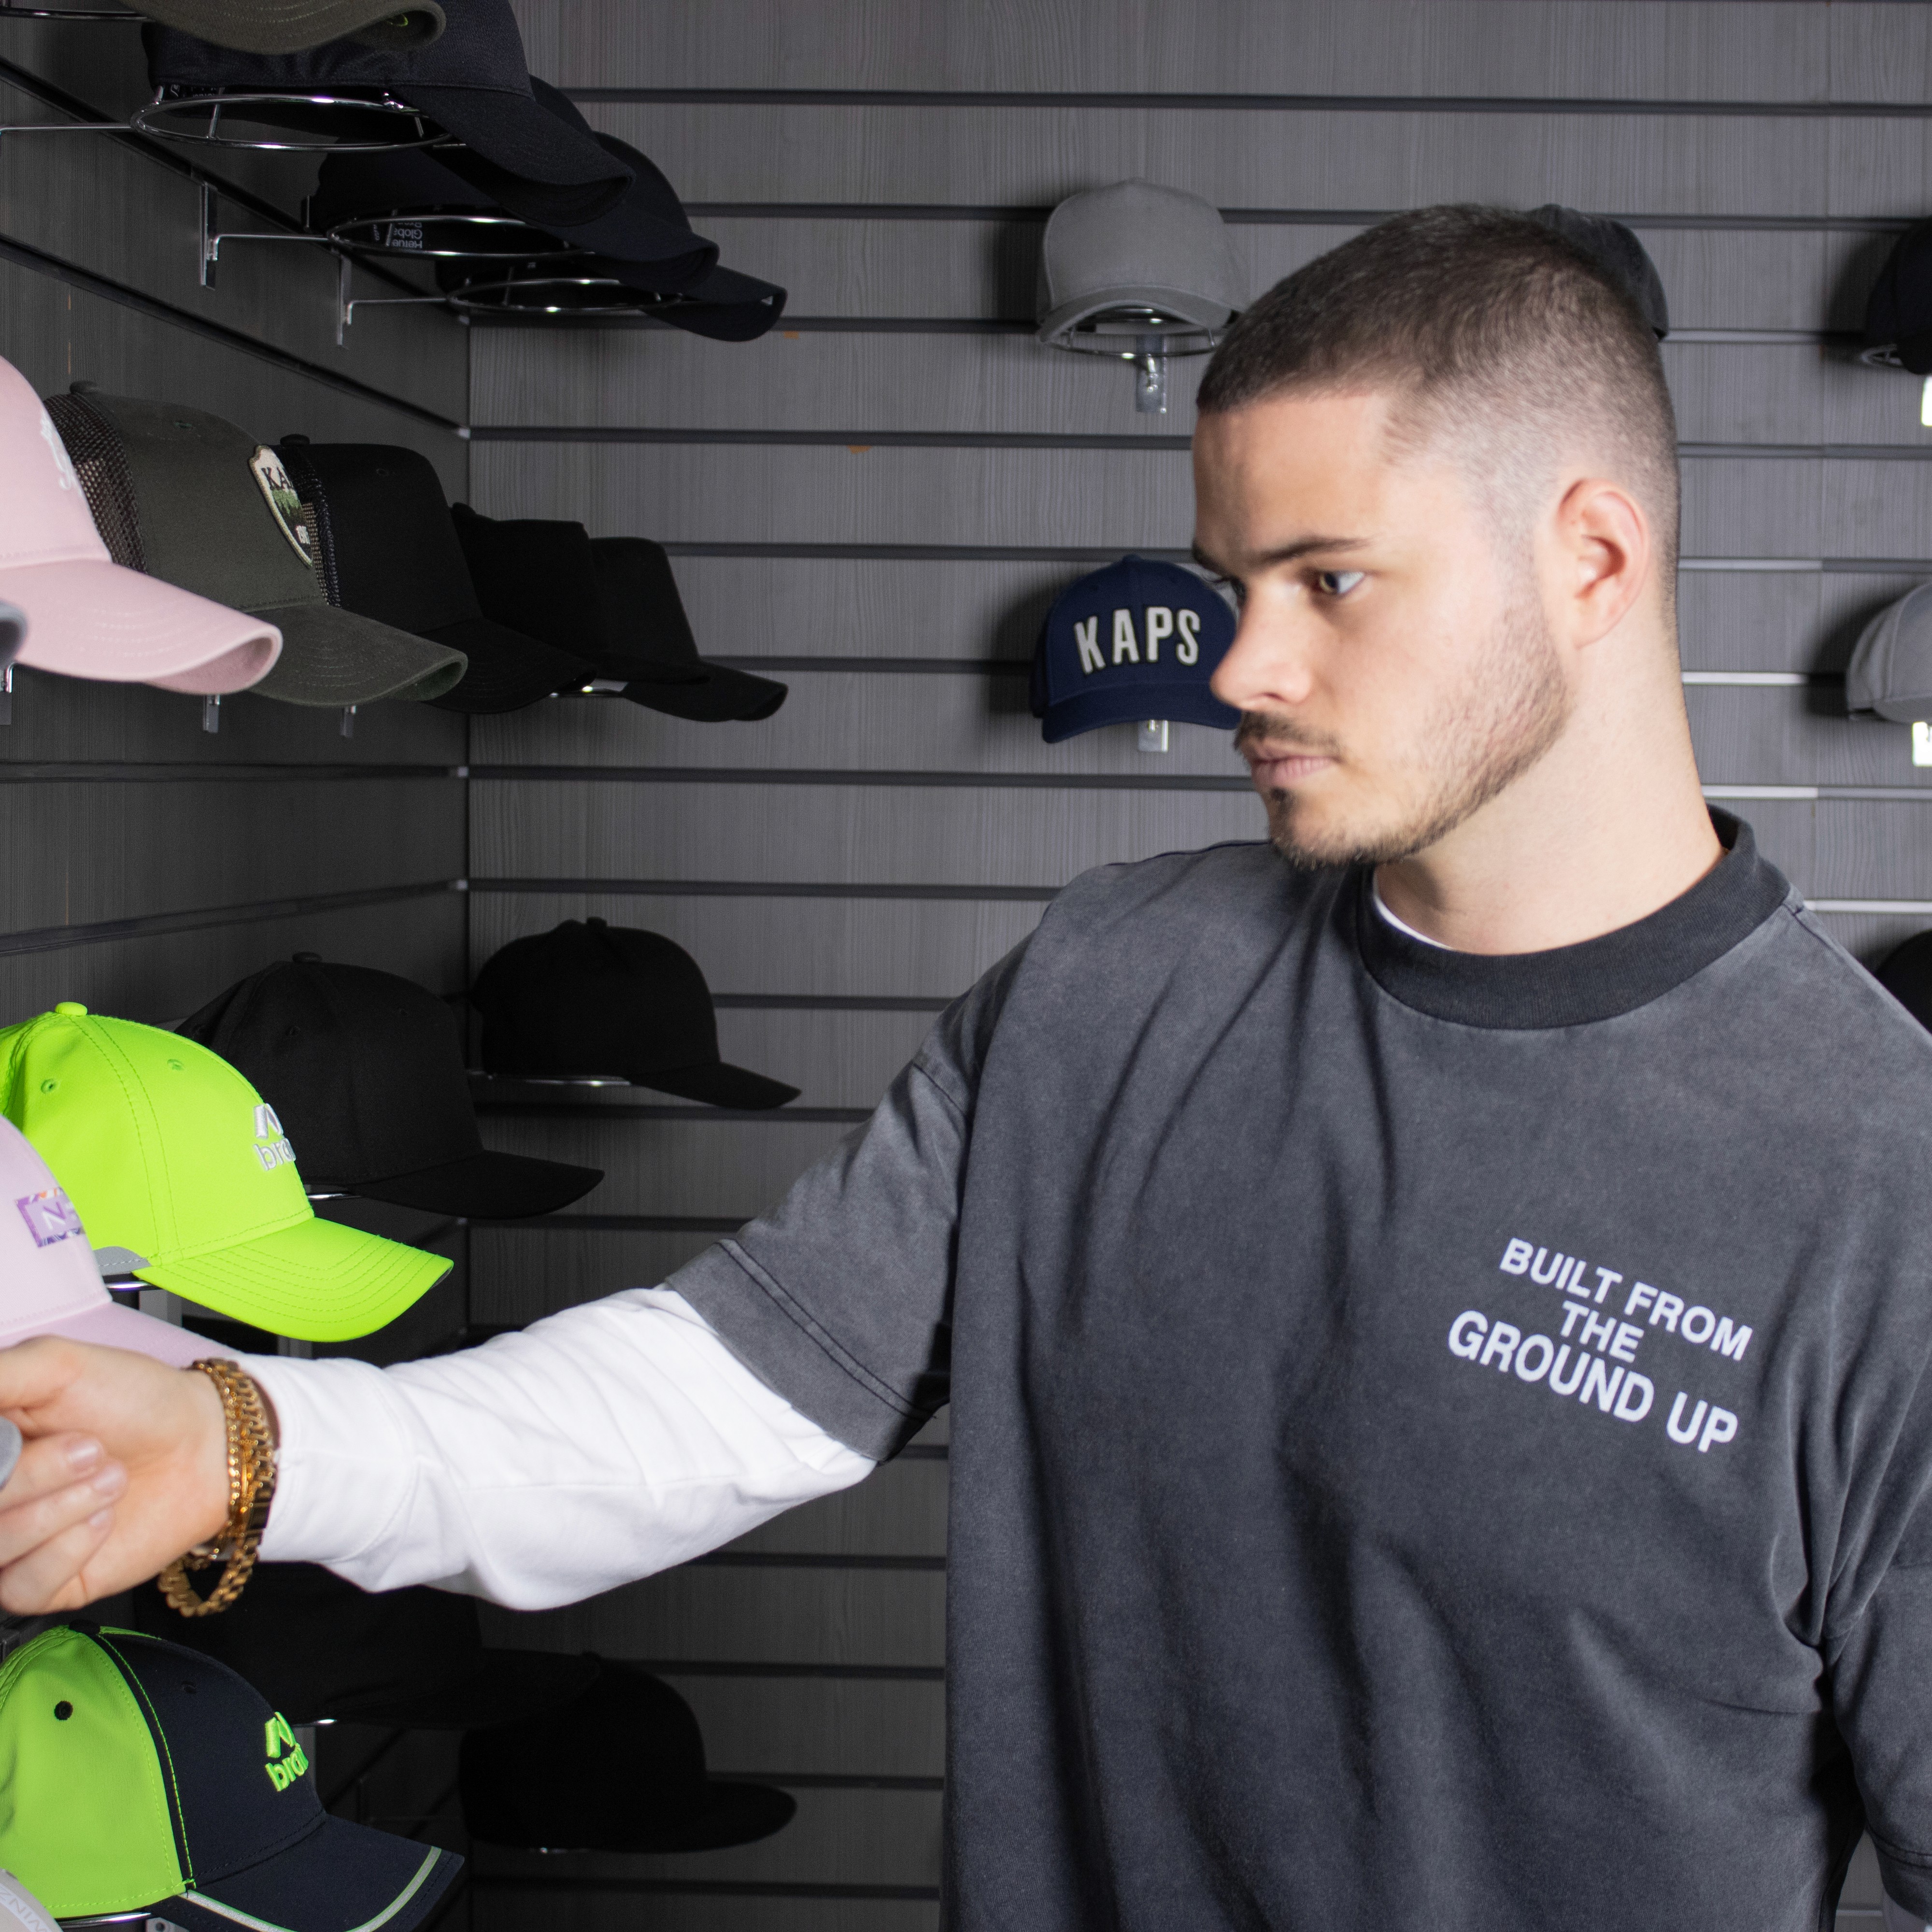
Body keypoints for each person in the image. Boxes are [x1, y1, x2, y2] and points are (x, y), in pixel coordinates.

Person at [0, 205, 1925, 1931]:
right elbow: (719, 1398)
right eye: (1233, 582)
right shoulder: (1111, 980)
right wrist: (246, 1443)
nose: (1237, 665)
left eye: (1328, 581)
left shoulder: (1880, 1185)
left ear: (1590, 557)